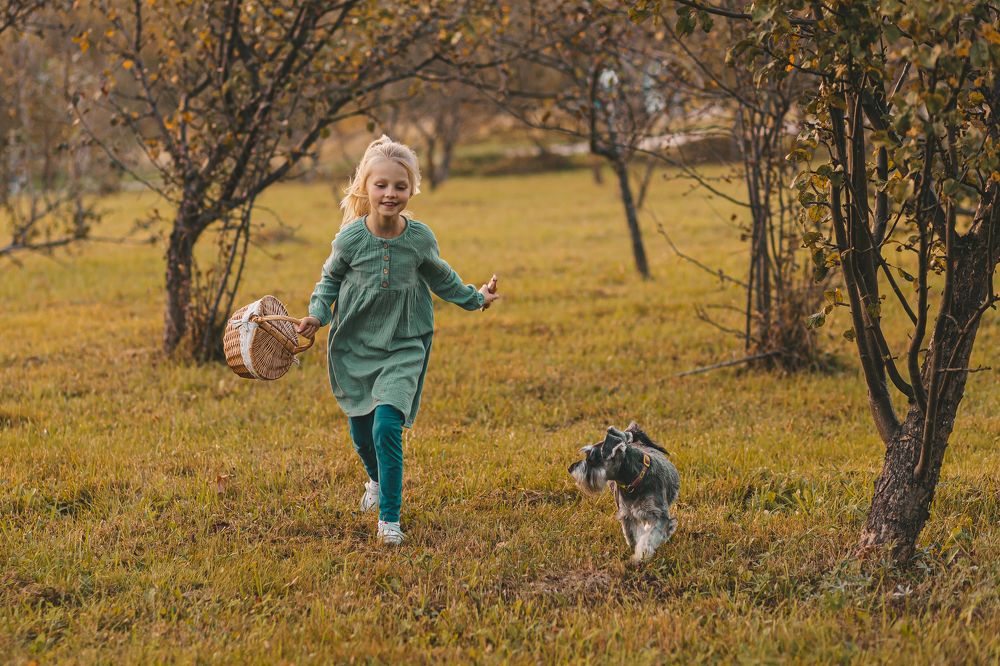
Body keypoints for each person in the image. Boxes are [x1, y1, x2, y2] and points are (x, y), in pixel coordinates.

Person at [297, 135, 500, 546]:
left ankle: (389, 518)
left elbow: (442, 278)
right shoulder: (351, 239)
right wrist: (317, 316)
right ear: (365, 188)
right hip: (354, 343)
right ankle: (374, 479)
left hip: (405, 342)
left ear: (411, 190)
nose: (391, 193)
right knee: (361, 433)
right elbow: (328, 281)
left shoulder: (419, 238)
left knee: (386, 425)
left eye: (400, 186)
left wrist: (477, 298)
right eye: (382, 185)